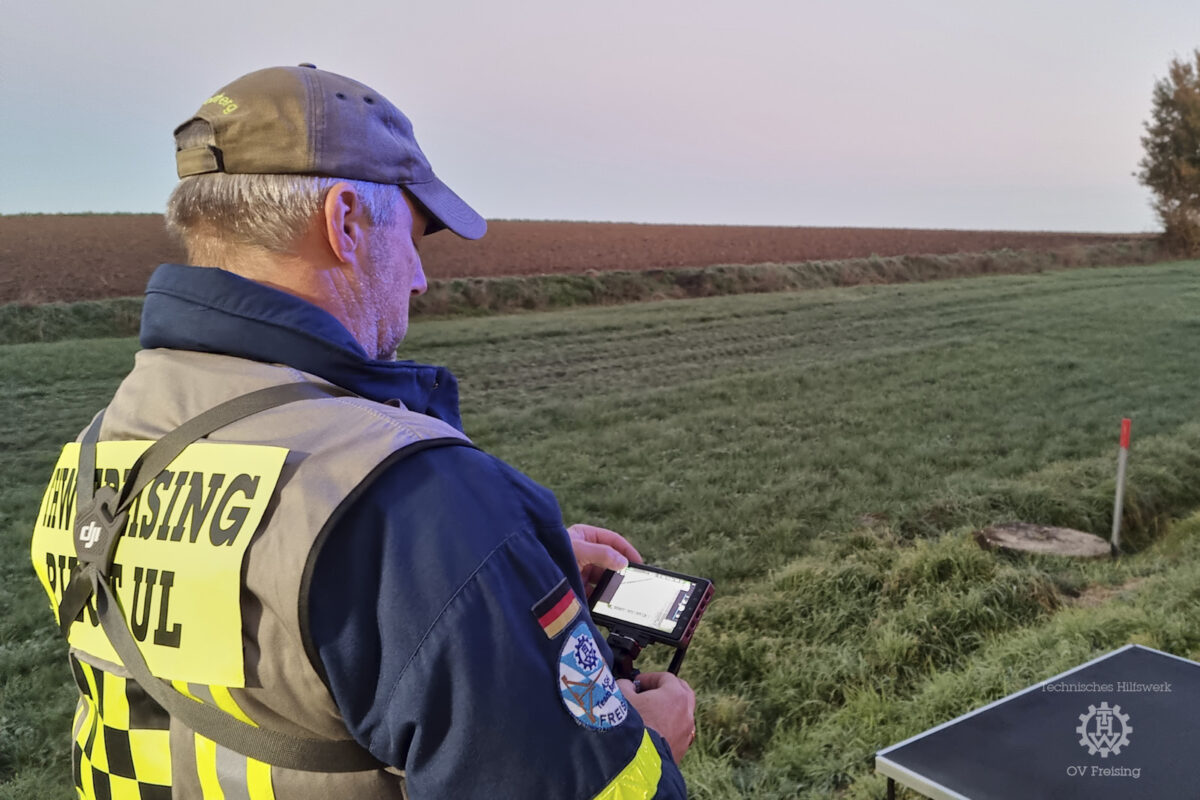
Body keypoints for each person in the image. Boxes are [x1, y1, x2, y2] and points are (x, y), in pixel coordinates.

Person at [30, 64, 694, 799]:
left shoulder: (98, 453)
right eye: (413, 239)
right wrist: (651, 743)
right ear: (345, 222)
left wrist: (481, 582)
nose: (419, 279)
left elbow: (264, 625)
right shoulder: (415, 500)